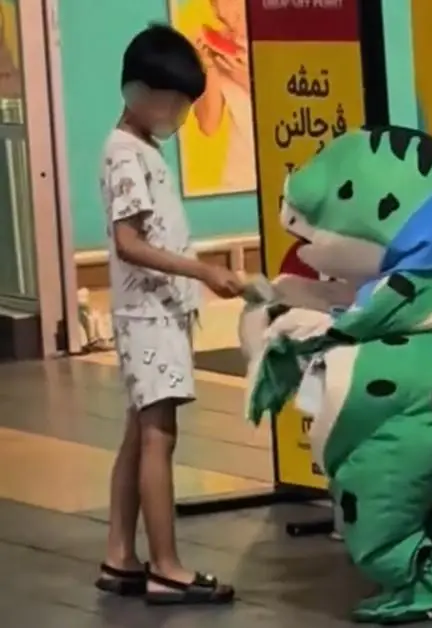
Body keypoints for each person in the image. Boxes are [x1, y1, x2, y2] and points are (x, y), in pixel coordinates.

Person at [94, 23, 244, 605]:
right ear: (138, 91)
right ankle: (166, 564)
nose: (180, 114)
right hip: (149, 315)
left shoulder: (137, 149)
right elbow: (129, 241)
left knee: (139, 432)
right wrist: (202, 271)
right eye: (174, 101)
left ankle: (119, 555)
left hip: (153, 314)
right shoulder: (126, 154)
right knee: (160, 436)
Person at [192, 0, 256, 192]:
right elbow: (208, 126)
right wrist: (206, 64)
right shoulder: (219, 51)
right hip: (240, 175)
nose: (233, 29)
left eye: (237, 16)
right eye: (223, 20)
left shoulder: (284, 40)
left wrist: (247, 81)